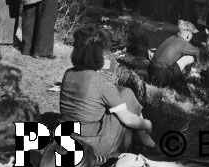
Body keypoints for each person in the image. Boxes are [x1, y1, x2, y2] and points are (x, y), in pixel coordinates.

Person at [60, 25, 156, 159]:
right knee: (127, 96)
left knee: (123, 92)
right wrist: (147, 124)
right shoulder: (100, 82)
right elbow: (128, 119)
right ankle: (143, 138)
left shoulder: (68, 74)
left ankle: (143, 137)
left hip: (68, 139)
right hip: (92, 148)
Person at [148, 20, 199, 87]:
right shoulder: (182, 43)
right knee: (190, 58)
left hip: (151, 73)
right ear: (188, 35)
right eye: (192, 35)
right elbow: (197, 51)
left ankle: (178, 77)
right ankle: (183, 79)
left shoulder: (171, 38)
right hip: (162, 78)